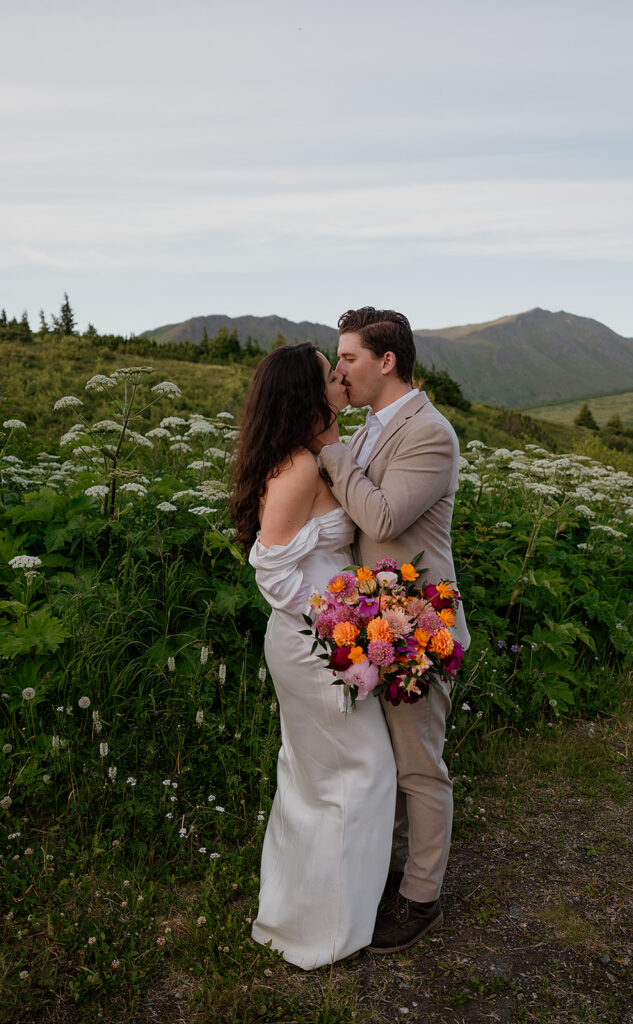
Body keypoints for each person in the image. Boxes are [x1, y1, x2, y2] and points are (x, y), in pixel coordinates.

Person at [231, 343, 397, 970]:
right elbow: (271, 575)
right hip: (311, 645)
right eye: (332, 375)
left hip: (322, 639)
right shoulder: (299, 467)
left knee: (318, 777)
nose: (340, 380)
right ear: (309, 393)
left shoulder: (317, 457)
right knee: (359, 772)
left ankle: (311, 914)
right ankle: (327, 927)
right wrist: (340, 632)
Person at [314, 306, 470, 954]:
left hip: (418, 628)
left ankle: (421, 897)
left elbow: (379, 514)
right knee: (380, 766)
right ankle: (380, 870)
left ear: (385, 361)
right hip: (372, 625)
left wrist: (326, 449)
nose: (338, 370)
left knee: (419, 769)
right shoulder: (370, 428)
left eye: (347, 357)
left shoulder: (428, 432)